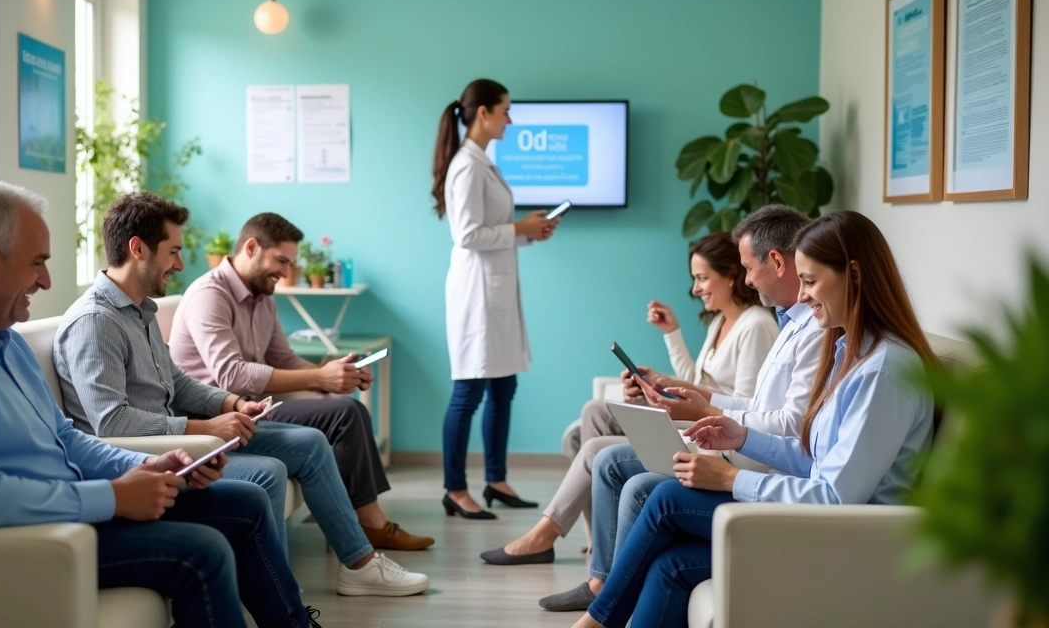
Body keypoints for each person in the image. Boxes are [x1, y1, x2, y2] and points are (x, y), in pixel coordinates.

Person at [0, 181, 323, 627]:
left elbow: (65, 438)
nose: (46, 280)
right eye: (37, 263)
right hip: (26, 537)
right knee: (203, 552)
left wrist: (152, 466)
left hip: (68, 506)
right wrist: (112, 496)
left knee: (244, 501)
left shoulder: (1, 339)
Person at [570, 210, 938, 628]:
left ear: (853, 275)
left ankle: (594, 623)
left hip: (845, 539)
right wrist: (741, 436)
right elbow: (812, 456)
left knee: (664, 498)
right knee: (669, 563)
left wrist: (731, 480)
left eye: (811, 282)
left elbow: (836, 498)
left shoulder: (883, 372)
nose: (802, 297)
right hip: (821, 523)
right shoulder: (849, 355)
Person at [55, 192, 429, 597]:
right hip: (156, 453)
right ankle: (280, 602)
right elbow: (112, 423)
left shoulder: (141, 311)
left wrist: (231, 404)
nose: (180, 264)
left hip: (188, 436)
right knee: (267, 471)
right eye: (174, 251)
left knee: (312, 442)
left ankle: (358, 565)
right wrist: (206, 425)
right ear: (138, 248)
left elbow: (175, 383)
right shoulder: (96, 323)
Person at [540, 204, 819, 611]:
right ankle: (600, 581)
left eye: (706, 277)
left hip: (738, 451)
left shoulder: (768, 325)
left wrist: (707, 411)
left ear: (774, 262)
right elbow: (753, 401)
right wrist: (692, 394)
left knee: (616, 465)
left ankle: (597, 584)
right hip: (729, 436)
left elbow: (787, 423)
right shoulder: (784, 323)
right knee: (595, 425)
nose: (744, 279)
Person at [481, 231, 778, 564]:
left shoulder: (755, 326)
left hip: (711, 427)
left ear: (731, 275)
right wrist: (666, 362)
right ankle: (598, 540)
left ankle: (558, 538)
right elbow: (699, 380)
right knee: (593, 414)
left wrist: (678, 395)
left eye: (702, 278)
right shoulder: (723, 321)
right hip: (698, 413)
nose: (696, 289)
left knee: (589, 438)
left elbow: (746, 403)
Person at [168, 211, 434, 552]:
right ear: (251, 247)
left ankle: (366, 523)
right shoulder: (210, 296)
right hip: (221, 419)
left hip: (255, 410)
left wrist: (330, 376)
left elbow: (283, 358)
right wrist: (318, 377)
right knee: (345, 415)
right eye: (281, 261)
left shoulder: (262, 298)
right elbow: (231, 375)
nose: (285, 272)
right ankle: (370, 525)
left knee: (347, 409)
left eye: (289, 263)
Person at [432, 78, 560, 519]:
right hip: (476, 294)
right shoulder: (466, 165)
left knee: (504, 387)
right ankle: (454, 487)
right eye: (506, 110)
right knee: (468, 392)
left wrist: (527, 233)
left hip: (495, 287)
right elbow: (466, 234)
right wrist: (519, 229)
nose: (511, 118)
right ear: (483, 112)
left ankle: (496, 479)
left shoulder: (483, 162)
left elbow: (490, 230)